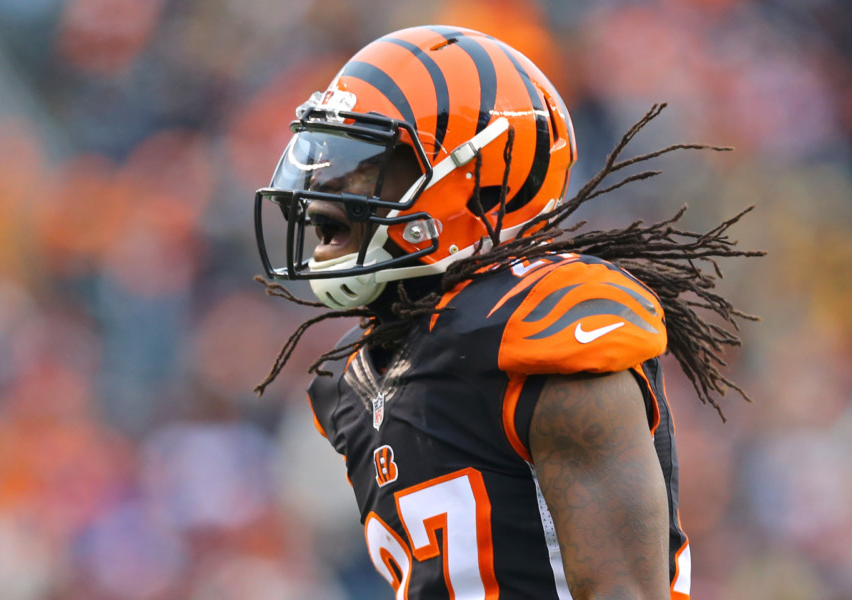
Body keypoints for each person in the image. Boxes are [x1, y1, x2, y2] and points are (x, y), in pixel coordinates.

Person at [252, 25, 760, 600]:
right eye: (326, 161)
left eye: (365, 166)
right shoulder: (358, 378)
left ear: (481, 183)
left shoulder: (539, 327)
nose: (323, 195)